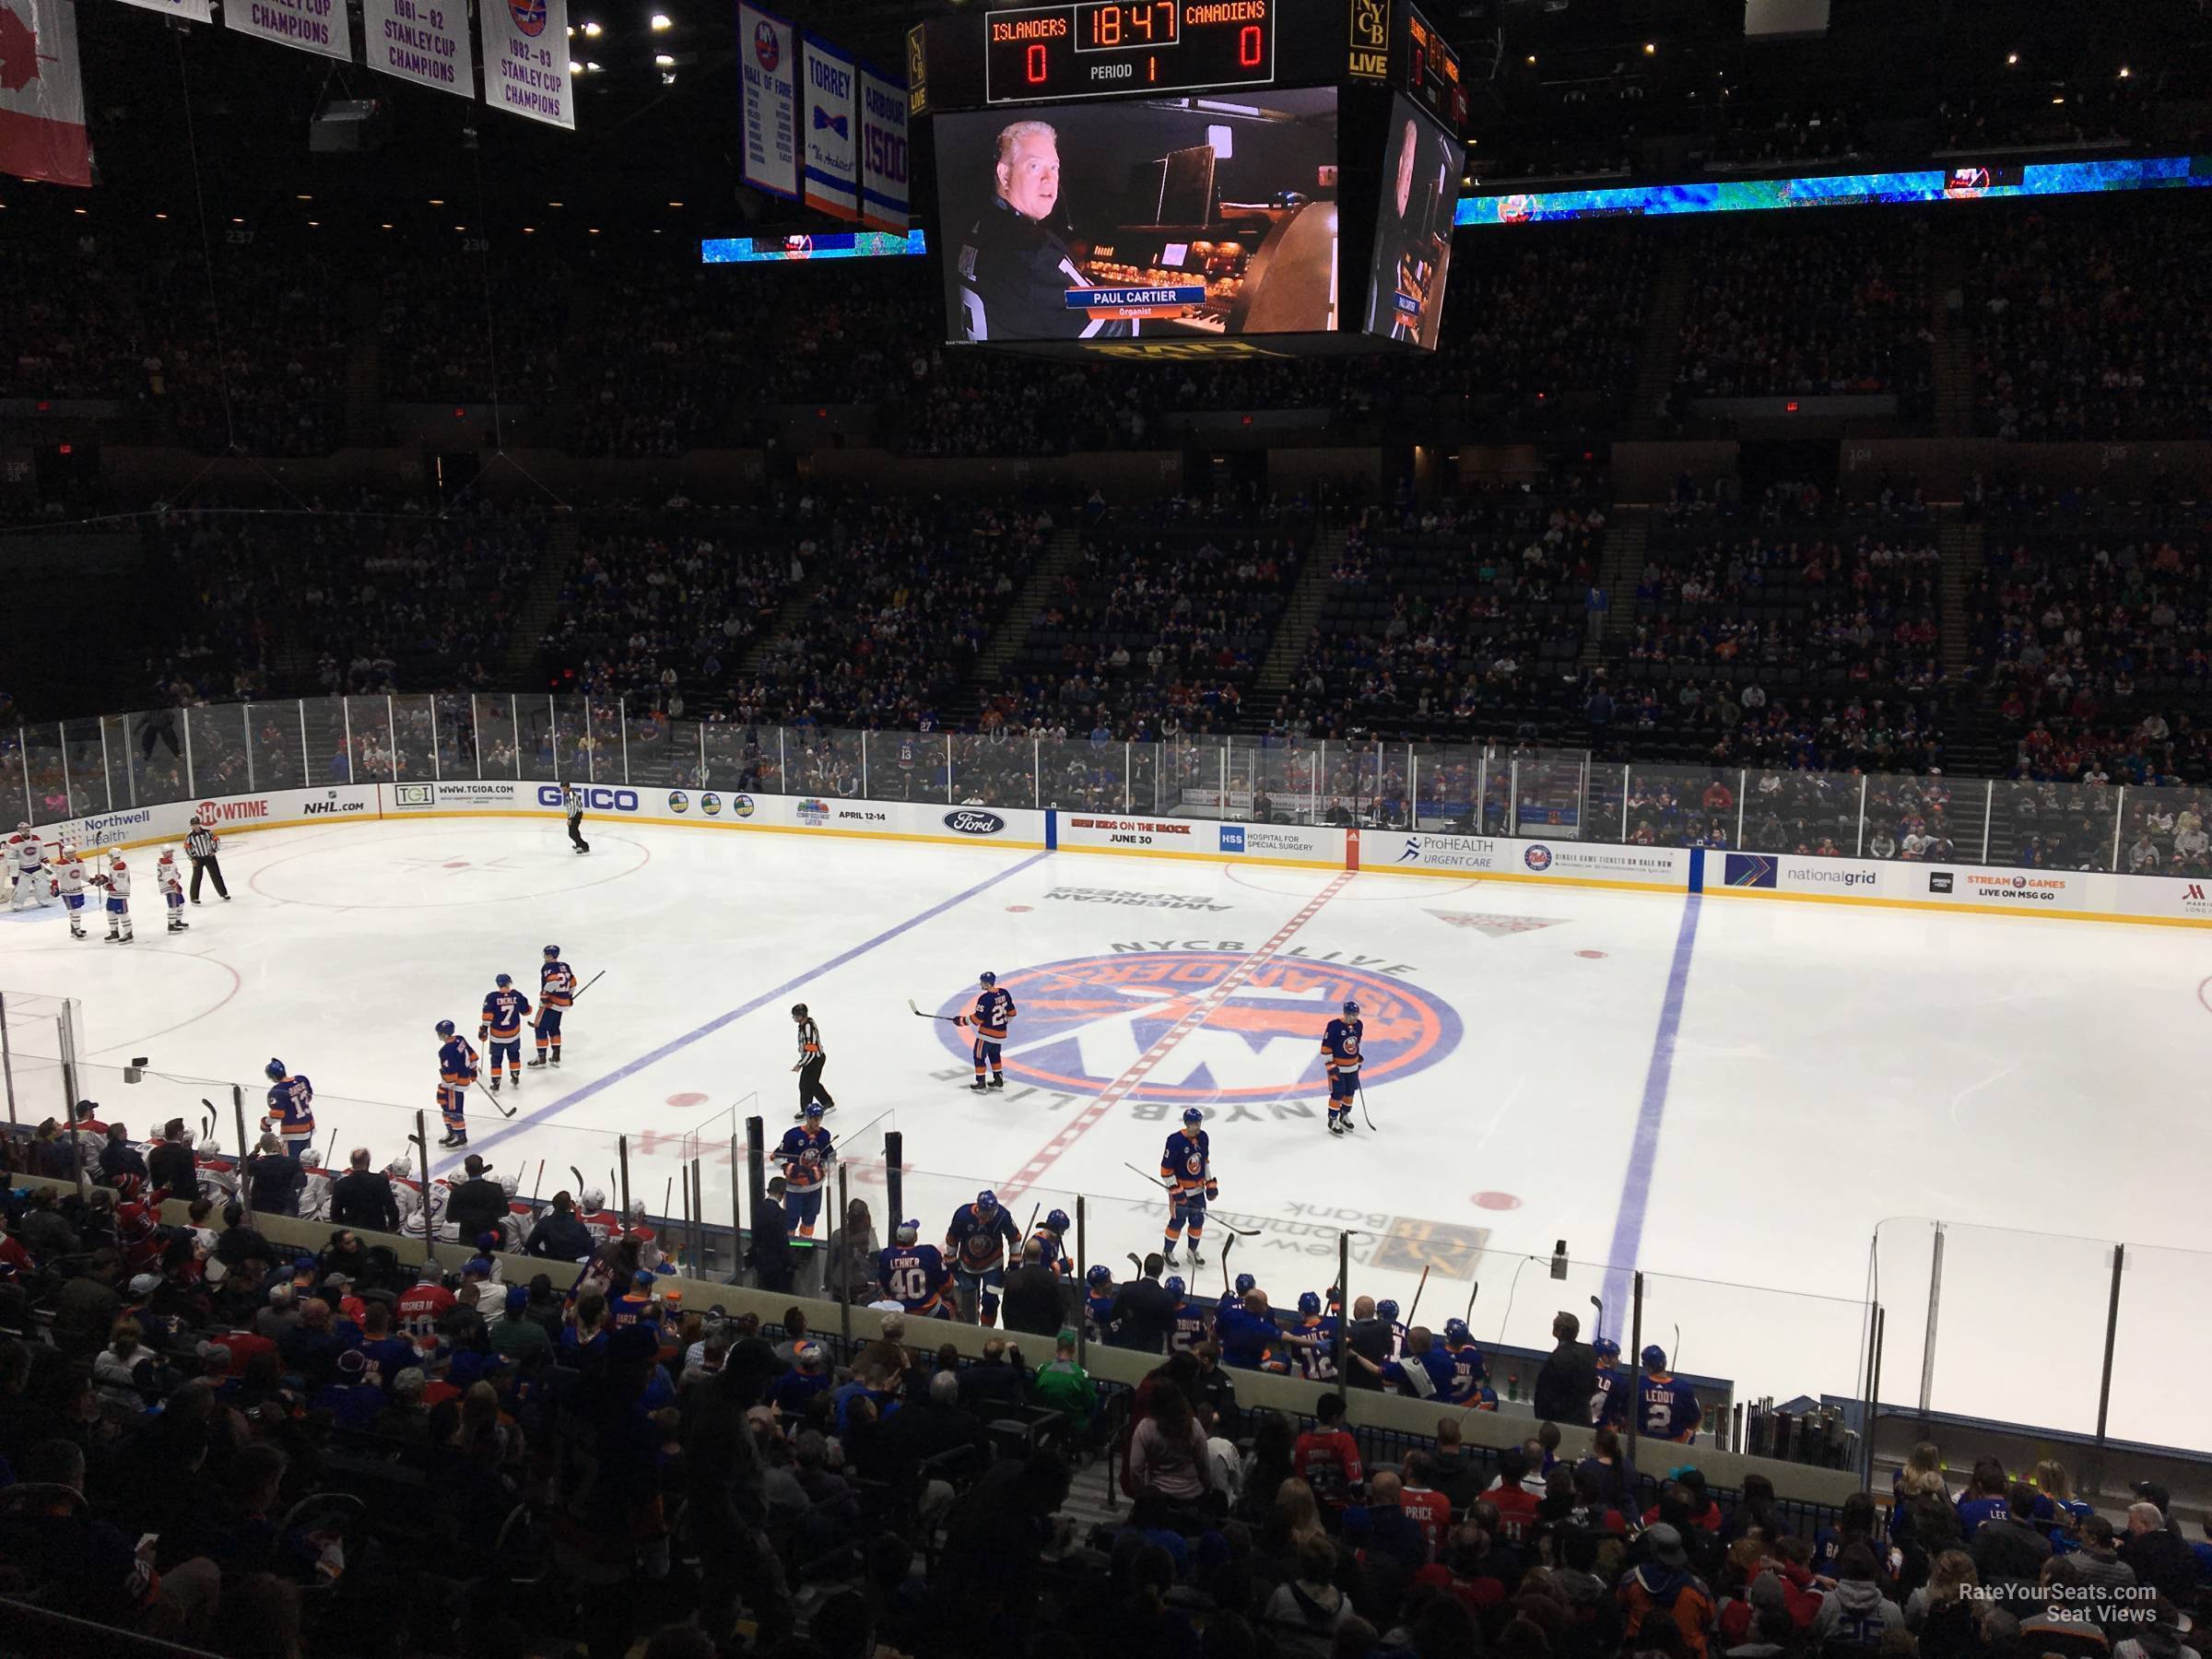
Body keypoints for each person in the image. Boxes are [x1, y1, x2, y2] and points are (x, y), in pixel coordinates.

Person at [953, 121, 1130, 342]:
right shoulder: (1034, 249)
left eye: (1054, 167)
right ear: (1004, 174)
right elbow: (1111, 327)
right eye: (1034, 166)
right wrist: (1178, 299)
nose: (1049, 178)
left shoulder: (980, 227)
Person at [944, 1189, 1020, 1324]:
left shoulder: (1002, 1215)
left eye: (990, 1214)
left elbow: (1014, 1238)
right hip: (966, 1265)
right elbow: (952, 1238)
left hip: (993, 1265)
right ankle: (971, 1328)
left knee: (990, 1300)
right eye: (984, 1213)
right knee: (968, 1301)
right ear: (978, 1208)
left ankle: (986, 1330)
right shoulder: (962, 1215)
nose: (985, 1218)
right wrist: (951, 1259)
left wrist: (1014, 1264)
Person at [1159, 1106, 1218, 1266]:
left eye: (1199, 1122)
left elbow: (1204, 1162)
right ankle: (1168, 1252)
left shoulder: (1203, 1138)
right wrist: (1174, 1188)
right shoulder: (1175, 1141)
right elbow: (1165, 1170)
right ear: (1187, 1123)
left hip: (1198, 1191)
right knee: (1177, 1222)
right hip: (1182, 1193)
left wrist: (1209, 1182)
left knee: (1198, 1220)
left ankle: (1192, 1251)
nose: (1197, 1126)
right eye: (1193, 1123)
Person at [775, 1104, 834, 1240]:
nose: (817, 1121)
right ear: (807, 1118)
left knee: (809, 1220)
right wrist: (789, 1168)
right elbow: (776, 1156)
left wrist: (824, 1169)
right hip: (794, 1189)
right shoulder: (792, 1136)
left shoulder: (824, 1136)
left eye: (819, 1118)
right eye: (814, 1118)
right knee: (790, 1221)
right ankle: (789, 1247)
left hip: (815, 1189)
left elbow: (830, 1157)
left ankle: (805, 1248)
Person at [952, 970, 1017, 1091]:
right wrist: (1002, 1024)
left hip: (986, 1035)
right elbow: (1012, 1013)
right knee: (994, 1055)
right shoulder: (1004, 993)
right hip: (1001, 1034)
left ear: (987, 984)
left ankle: (981, 1083)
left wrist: (961, 1021)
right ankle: (998, 1080)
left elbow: (977, 1019)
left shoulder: (985, 998)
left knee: (979, 1057)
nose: (981, 984)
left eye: (982, 982)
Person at [1534, 1311, 1596, 1424]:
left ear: (1557, 1331)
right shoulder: (1590, 1353)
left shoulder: (1557, 1359)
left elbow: (1544, 1396)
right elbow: (1593, 1385)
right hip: (1583, 1418)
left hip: (1559, 1421)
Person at [477, 973, 532, 1095]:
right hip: (514, 1035)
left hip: (497, 1036)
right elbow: (527, 1011)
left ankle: (496, 1083)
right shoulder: (516, 995)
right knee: (514, 1056)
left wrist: (483, 1030)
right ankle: (515, 1077)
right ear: (509, 982)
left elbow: (487, 1018)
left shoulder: (491, 997)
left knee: (496, 1060)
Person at [1000, 1240, 1065, 1337]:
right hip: (1044, 1334)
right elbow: (1058, 1310)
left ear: (1024, 1254)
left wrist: (1010, 1331)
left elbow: (1006, 1310)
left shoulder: (1013, 1278)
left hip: (1017, 1333)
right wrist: (1053, 1333)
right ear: (1041, 1253)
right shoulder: (1051, 1279)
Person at [330, 1147, 401, 1233]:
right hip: (377, 1231)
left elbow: (335, 1213)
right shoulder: (380, 1181)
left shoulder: (340, 1184)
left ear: (352, 1162)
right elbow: (392, 1208)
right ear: (368, 1163)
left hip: (351, 1230)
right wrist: (391, 1229)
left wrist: (343, 1232)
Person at [434, 1018, 479, 1149]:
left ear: (444, 1034)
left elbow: (451, 1075)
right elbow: (473, 1056)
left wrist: (443, 1089)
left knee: (453, 1109)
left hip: (454, 1085)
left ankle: (460, 1136)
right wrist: (473, 1070)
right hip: (463, 1079)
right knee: (447, 1108)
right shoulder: (460, 1039)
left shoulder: (445, 1051)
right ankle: (452, 1132)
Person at [1321, 997, 1363, 1136]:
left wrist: (1358, 1058)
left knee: (1350, 1092)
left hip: (1352, 1068)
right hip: (1338, 1068)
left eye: (1356, 1015)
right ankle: (1332, 1119)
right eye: (1351, 1015)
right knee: (1338, 1093)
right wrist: (1330, 1066)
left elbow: (1356, 1043)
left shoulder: (1359, 1025)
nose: (1354, 1018)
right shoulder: (1334, 1026)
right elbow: (1326, 1048)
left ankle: (1344, 1115)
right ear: (1345, 1014)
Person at [530, 945, 577, 1067]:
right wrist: (569, 996)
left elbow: (553, 982)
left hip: (550, 1003)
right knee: (554, 1027)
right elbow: (573, 983)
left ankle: (541, 1059)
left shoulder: (548, 967)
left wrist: (545, 996)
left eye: (546, 954)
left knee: (540, 1028)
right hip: (562, 1004)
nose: (544, 956)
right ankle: (556, 1056)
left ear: (550, 956)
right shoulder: (565, 966)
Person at [448, 1153, 507, 1243]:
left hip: (467, 1238)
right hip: (491, 1237)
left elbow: (450, 1217)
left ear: (466, 1170)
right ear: (481, 1168)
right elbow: (505, 1211)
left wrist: (468, 1218)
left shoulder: (457, 1191)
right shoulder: (495, 1188)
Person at [790, 1003, 834, 1120]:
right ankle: (812, 1107)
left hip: (814, 1060)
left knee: (809, 1084)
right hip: (811, 1059)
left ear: (801, 1015)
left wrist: (800, 1064)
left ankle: (823, 1104)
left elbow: (812, 1051)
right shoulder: (806, 1023)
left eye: (796, 1015)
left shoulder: (808, 1029)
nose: (794, 1017)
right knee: (808, 1084)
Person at [525, 1190, 594, 1260]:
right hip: (570, 1266)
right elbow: (589, 1248)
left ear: (554, 1205)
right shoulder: (578, 1225)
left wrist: (544, 1256)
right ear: (570, 1205)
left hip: (548, 1264)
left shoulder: (545, 1222)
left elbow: (531, 1245)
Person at [184, 814, 229, 900]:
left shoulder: (207, 832)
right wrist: (192, 858)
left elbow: (216, 839)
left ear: (199, 824)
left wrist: (214, 850)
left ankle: (224, 893)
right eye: (193, 825)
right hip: (198, 859)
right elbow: (186, 848)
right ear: (191, 826)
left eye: (196, 824)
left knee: (216, 875)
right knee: (197, 878)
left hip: (209, 857)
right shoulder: (189, 836)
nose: (195, 826)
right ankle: (194, 898)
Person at [155, 847, 187, 932]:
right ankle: (171, 926)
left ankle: (177, 921)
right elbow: (167, 876)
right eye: (168, 852)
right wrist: (175, 885)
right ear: (164, 853)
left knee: (181, 902)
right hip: (171, 887)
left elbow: (168, 873)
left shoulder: (166, 860)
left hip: (172, 886)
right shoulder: (167, 862)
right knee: (173, 906)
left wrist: (176, 874)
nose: (171, 853)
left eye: (171, 851)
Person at [561, 782, 589, 853]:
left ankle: (584, 846)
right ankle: (579, 844)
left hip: (575, 815)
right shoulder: (570, 794)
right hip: (575, 814)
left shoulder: (571, 795)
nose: (561, 789)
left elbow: (573, 807)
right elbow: (579, 803)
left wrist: (570, 818)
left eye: (562, 787)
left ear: (566, 787)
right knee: (574, 832)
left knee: (572, 833)